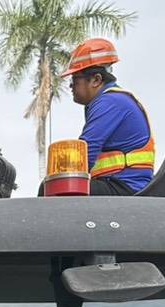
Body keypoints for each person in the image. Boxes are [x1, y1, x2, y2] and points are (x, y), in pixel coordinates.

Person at [62, 38, 155, 195]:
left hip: (125, 187)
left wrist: (61, 179)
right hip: (119, 183)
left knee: (54, 188)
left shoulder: (110, 102)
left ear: (96, 80)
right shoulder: (111, 101)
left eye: (75, 79)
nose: (71, 85)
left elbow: (85, 153)